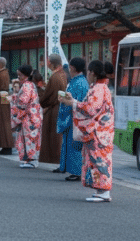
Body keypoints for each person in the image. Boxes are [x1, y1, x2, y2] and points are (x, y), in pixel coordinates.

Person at [65, 60, 115, 202]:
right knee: (96, 161)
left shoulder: (99, 89)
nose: (88, 75)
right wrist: (74, 101)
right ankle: (100, 190)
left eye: (88, 72)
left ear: (92, 73)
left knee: (99, 161)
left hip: (99, 133)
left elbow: (91, 109)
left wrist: (74, 103)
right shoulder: (100, 87)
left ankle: (104, 191)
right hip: (99, 131)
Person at [58, 57, 88, 180]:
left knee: (74, 145)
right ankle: (73, 170)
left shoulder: (78, 83)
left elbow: (76, 102)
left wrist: (65, 101)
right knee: (72, 144)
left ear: (73, 68)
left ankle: (76, 172)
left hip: (75, 117)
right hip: (74, 117)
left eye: (70, 68)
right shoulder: (80, 81)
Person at [39, 54, 69, 169]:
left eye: (48, 62)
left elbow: (49, 95)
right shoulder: (63, 74)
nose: (47, 64)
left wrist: (42, 102)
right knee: (59, 136)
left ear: (51, 63)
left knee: (54, 137)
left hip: (53, 108)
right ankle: (60, 161)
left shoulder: (54, 77)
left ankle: (56, 160)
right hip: (61, 106)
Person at [11, 65, 43, 168]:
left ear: (24, 75)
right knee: (29, 138)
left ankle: (32, 160)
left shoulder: (26, 86)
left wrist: (14, 107)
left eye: (19, 75)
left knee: (29, 138)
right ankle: (29, 159)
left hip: (29, 116)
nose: (18, 77)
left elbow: (22, 103)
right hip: (32, 115)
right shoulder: (30, 85)